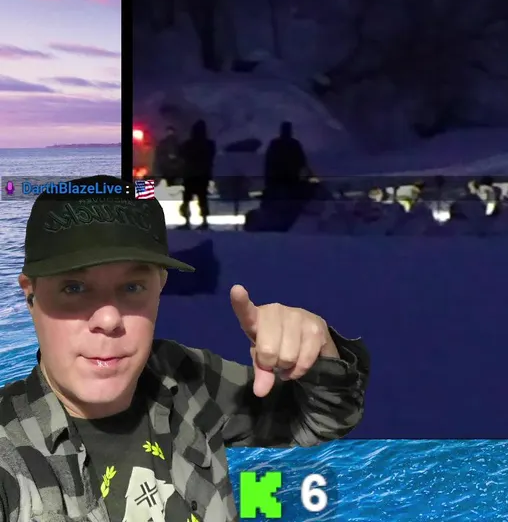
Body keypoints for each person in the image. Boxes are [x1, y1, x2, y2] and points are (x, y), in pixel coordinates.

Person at [0, 176, 369, 521]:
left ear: (159, 286)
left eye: (132, 287)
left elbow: (323, 423)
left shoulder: (187, 378)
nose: (109, 319)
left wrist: (317, 351)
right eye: (74, 288)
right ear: (30, 294)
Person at [179, 120, 216, 229]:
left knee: (187, 199)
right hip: (203, 175)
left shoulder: (188, 144)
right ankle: (204, 221)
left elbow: (182, 154)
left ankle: (187, 221)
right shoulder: (209, 144)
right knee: (202, 199)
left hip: (190, 175)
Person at [263, 121, 309, 200]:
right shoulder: (292, 144)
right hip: (281, 182)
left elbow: (303, 163)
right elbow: (303, 163)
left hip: (287, 182)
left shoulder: (277, 144)